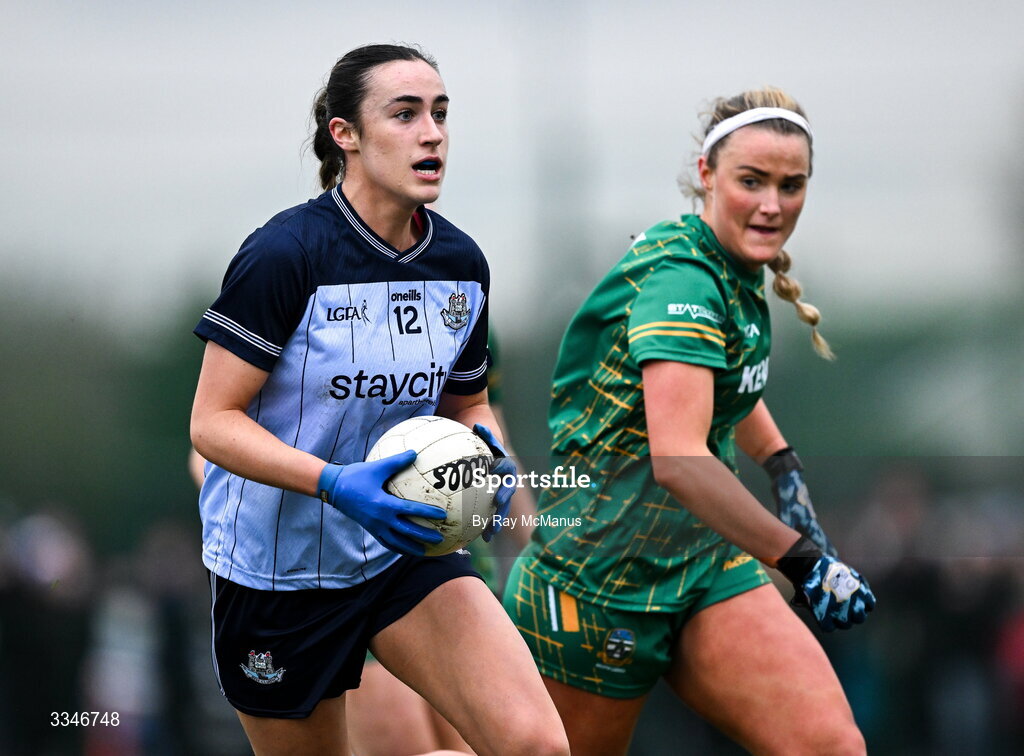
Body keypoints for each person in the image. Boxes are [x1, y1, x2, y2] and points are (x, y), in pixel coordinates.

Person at [190, 43, 568, 756]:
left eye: (440, 114)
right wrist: (336, 485)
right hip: (277, 574)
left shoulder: (460, 265)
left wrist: (492, 454)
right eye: (405, 114)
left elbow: (468, 405)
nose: (432, 132)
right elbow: (211, 424)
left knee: (536, 746)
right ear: (346, 135)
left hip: (404, 551)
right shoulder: (284, 256)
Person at [502, 88, 876, 756]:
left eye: (791, 185)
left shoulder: (727, 265)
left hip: (703, 562)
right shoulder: (686, 283)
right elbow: (679, 458)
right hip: (598, 586)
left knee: (831, 747)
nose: (772, 205)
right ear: (707, 175)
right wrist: (803, 560)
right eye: (752, 181)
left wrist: (783, 467)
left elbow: (720, 386)